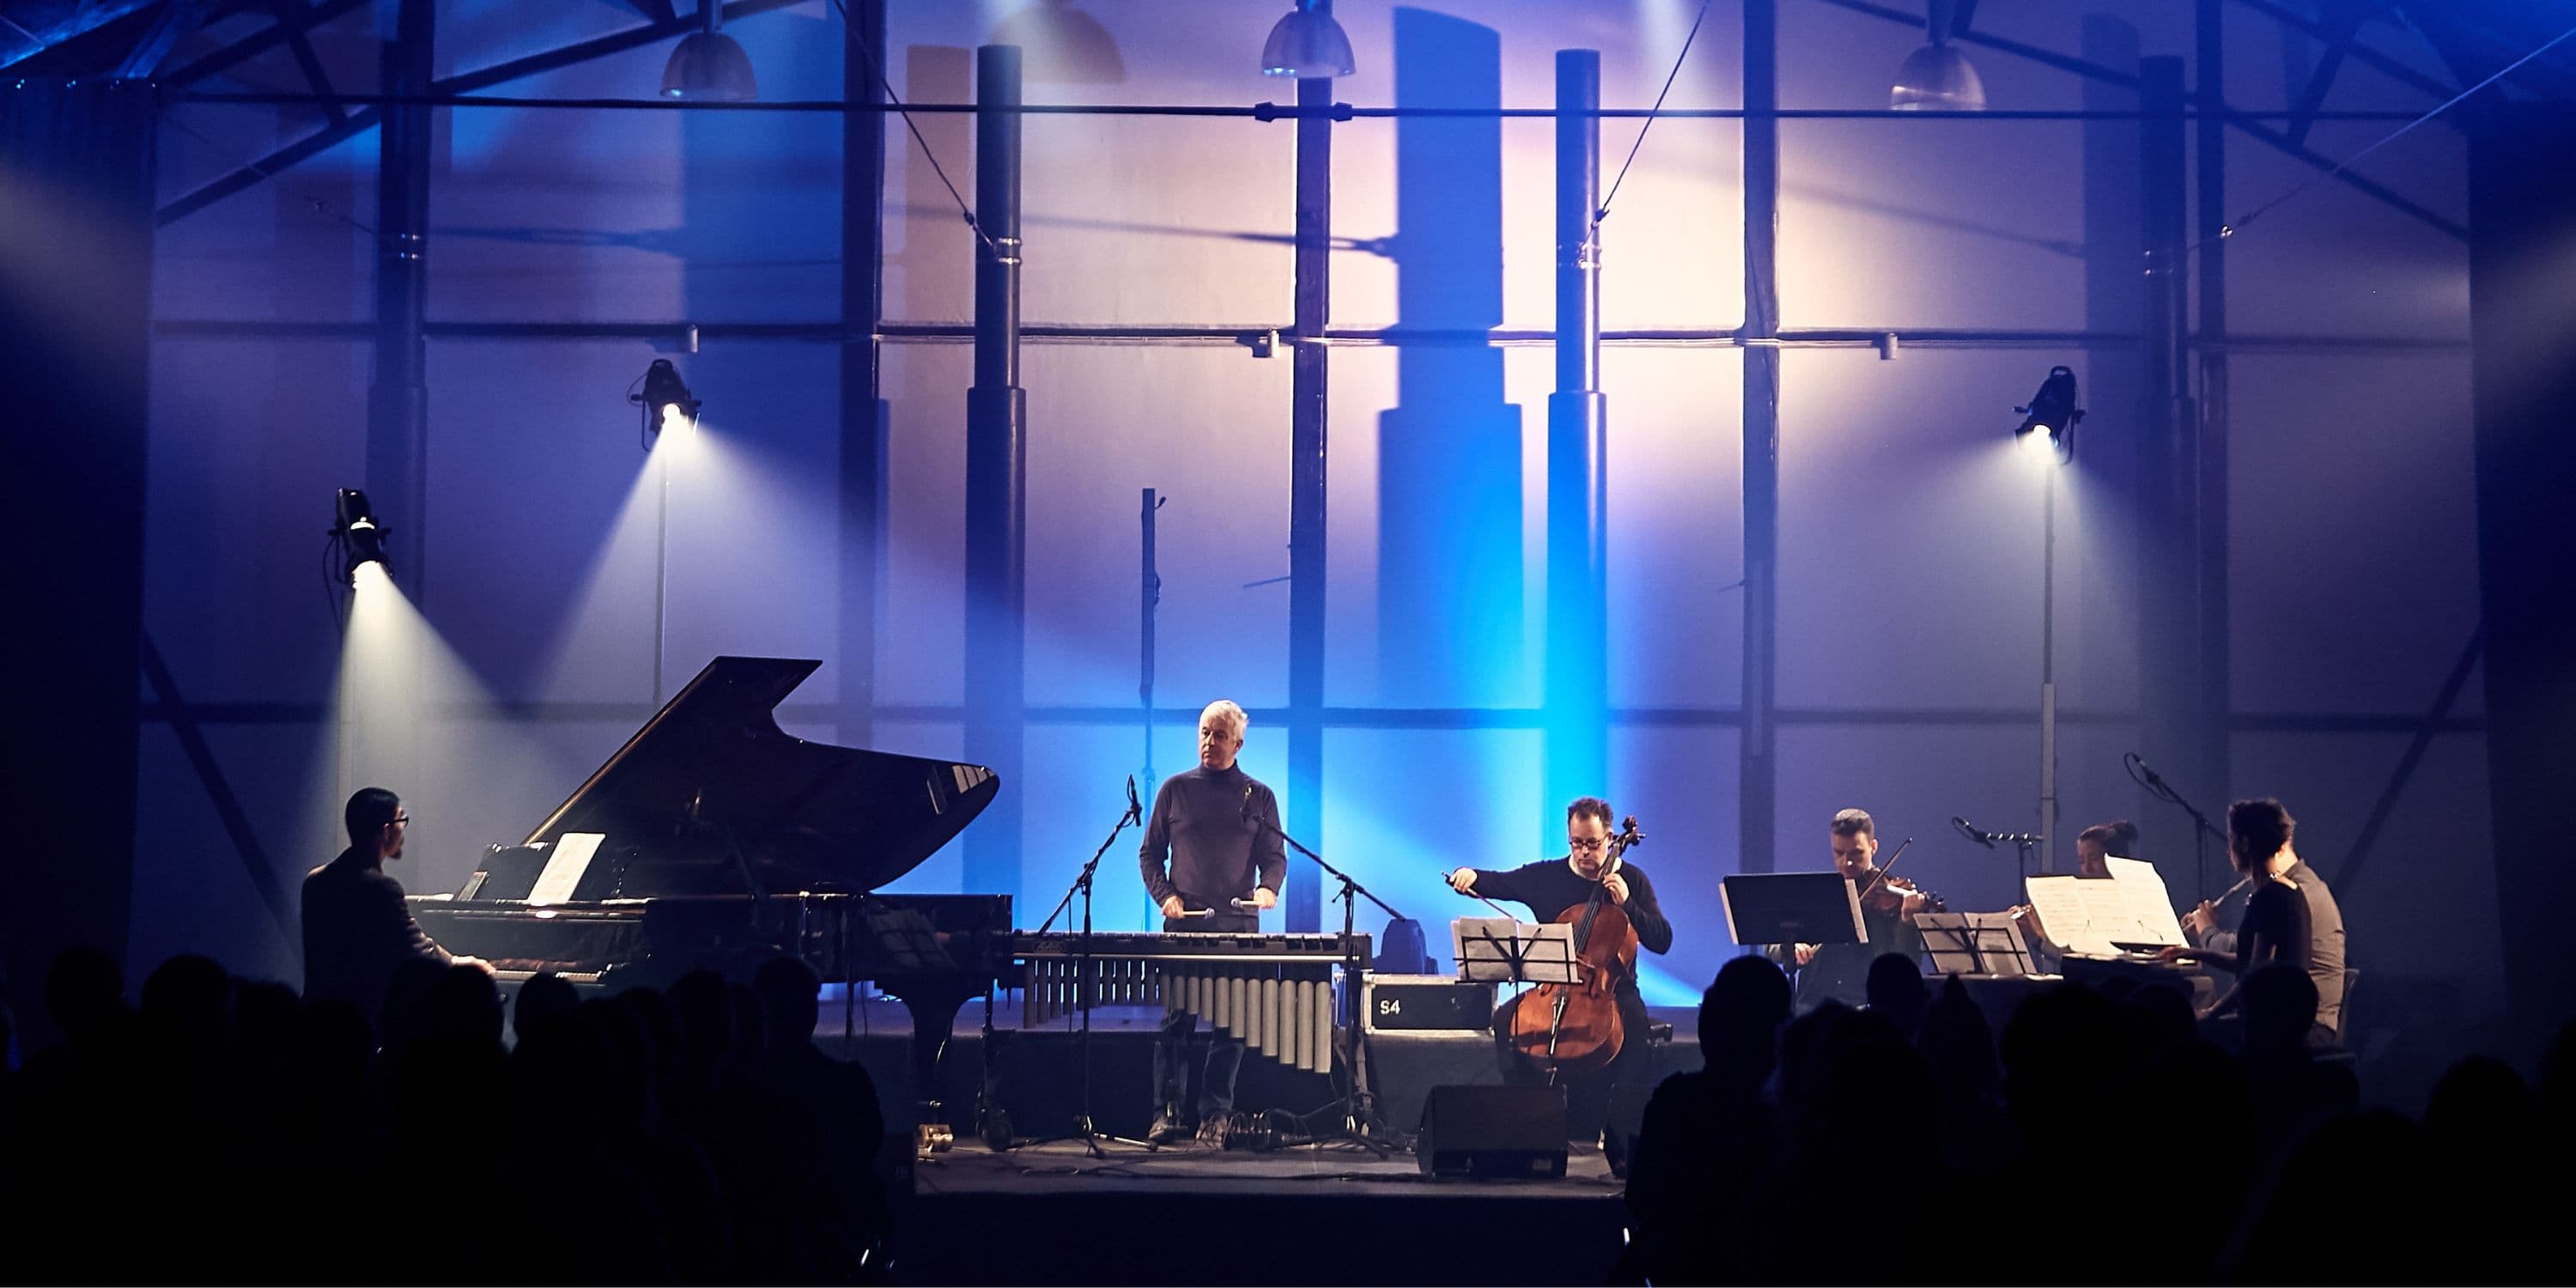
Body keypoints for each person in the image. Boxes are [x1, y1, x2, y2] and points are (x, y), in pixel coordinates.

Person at [1445, 796, 1674, 1145]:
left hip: (1612, 990)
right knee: (1505, 1021)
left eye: (1593, 844)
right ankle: (1528, 1122)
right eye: (1577, 843)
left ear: (1611, 838)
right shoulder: (1546, 876)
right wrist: (1471, 876)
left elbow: (1662, 939)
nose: (1585, 852)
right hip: (1554, 987)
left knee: (1636, 1028)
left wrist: (1627, 904)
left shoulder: (1632, 880)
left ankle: (1621, 1137)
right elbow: (1502, 882)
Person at [1138, 700, 1285, 1145]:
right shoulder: (1174, 790)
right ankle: (1167, 1112)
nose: (1209, 741)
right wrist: (1166, 897)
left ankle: (1216, 1115)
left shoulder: (1257, 796)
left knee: (1231, 1029)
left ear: (1237, 743)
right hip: (1185, 930)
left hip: (1237, 932)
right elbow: (1150, 856)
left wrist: (1268, 890)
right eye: (1204, 732)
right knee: (1175, 1026)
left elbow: (1274, 859)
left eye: (1219, 735)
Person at [2159, 798, 2348, 1043]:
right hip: (2289, 1017)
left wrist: (2212, 1012)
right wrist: (2195, 953)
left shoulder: (2269, 896)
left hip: (2279, 1026)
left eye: (2231, 840)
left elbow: (2256, 975)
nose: (2228, 850)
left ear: (2245, 843)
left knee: (2179, 1035)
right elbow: (2253, 963)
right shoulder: (2288, 890)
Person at [302, 787, 482, 1024]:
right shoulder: (381, 888)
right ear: (386, 830)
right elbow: (418, 951)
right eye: (401, 820)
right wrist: (459, 964)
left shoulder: (314, 880)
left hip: (315, 1015)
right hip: (363, 1021)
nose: (403, 831)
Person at [1766, 809, 1928, 1012]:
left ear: (1873, 847)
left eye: (1856, 853)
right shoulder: (1818, 894)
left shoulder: (1893, 897)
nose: (1847, 862)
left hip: (1869, 1007)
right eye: (1839, 853)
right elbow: (1770, 945)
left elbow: (1908, 965)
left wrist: (1907, 922)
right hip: (1814, 1006)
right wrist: (1791, 945)